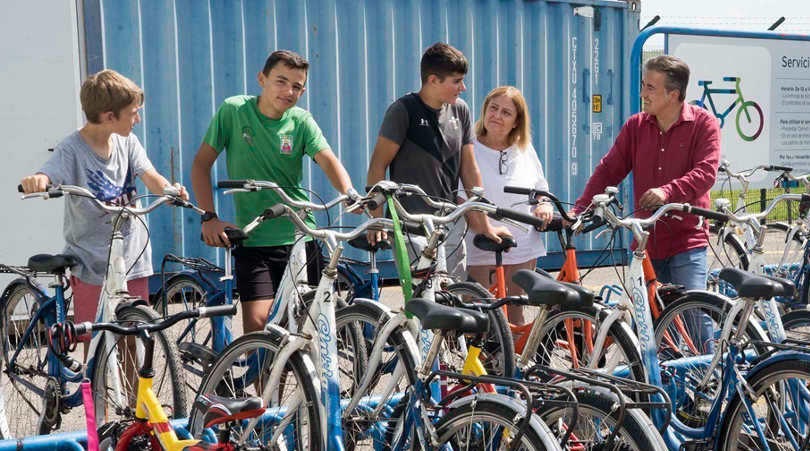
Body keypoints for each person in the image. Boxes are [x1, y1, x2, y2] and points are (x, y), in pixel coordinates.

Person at [191, 50, 356, 334]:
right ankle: (266, 380)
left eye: (297, 86)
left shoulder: (301, 121)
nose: (289, 91)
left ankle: (307, 379)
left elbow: (328, 160)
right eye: (281, 81)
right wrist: (209, 217)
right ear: (261, 79)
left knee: (312, 326)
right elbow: (201, 165)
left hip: (301, 236)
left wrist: (350, 192)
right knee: (260, 327)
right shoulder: (234, 111)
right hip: (255, 239)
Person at [20, 69, 188, 330]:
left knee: (135, 336)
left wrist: (168, 191)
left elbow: (150, 174)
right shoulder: (71, 149)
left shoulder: (128, 143)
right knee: (95, 338)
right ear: (109, 116)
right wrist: (39, 180)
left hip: (132, 260)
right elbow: (49, 173)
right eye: (133, 113)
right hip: (92, 264)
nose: (138, 119)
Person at [574, 54, 720, 292]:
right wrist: (581, 210)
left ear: (673, 94)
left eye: (650, 87)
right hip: (645, 241)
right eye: (643, 86)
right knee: (643, 322)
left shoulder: (704, 124)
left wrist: (667, 192)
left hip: (687, 241)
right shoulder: (636, 126)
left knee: (692, 315)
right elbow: (609, 170)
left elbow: (705, 173)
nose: (642, 94)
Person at [366, 42, 509, 280]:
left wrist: (485, 225)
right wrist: (377, 221)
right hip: (412, 223)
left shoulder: (461, 110)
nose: (463, 87)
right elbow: (377, 166)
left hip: (450, 220)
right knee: (426, 302)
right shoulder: (403, 111)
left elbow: (469, 170)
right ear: (433, 80)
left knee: (453, 297)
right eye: (456, 81)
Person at [464, 86, 553, 325]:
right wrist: (482, 227)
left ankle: (513, 362)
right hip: (482, 242)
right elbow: (462, 197)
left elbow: (539, 185)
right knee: (480, 316)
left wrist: (544, 203)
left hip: (522, 244)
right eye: (493, 108)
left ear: (516, 122)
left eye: (506, 112)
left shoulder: (523, 149)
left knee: (515, 313)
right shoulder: (469, 146)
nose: (497, 116)